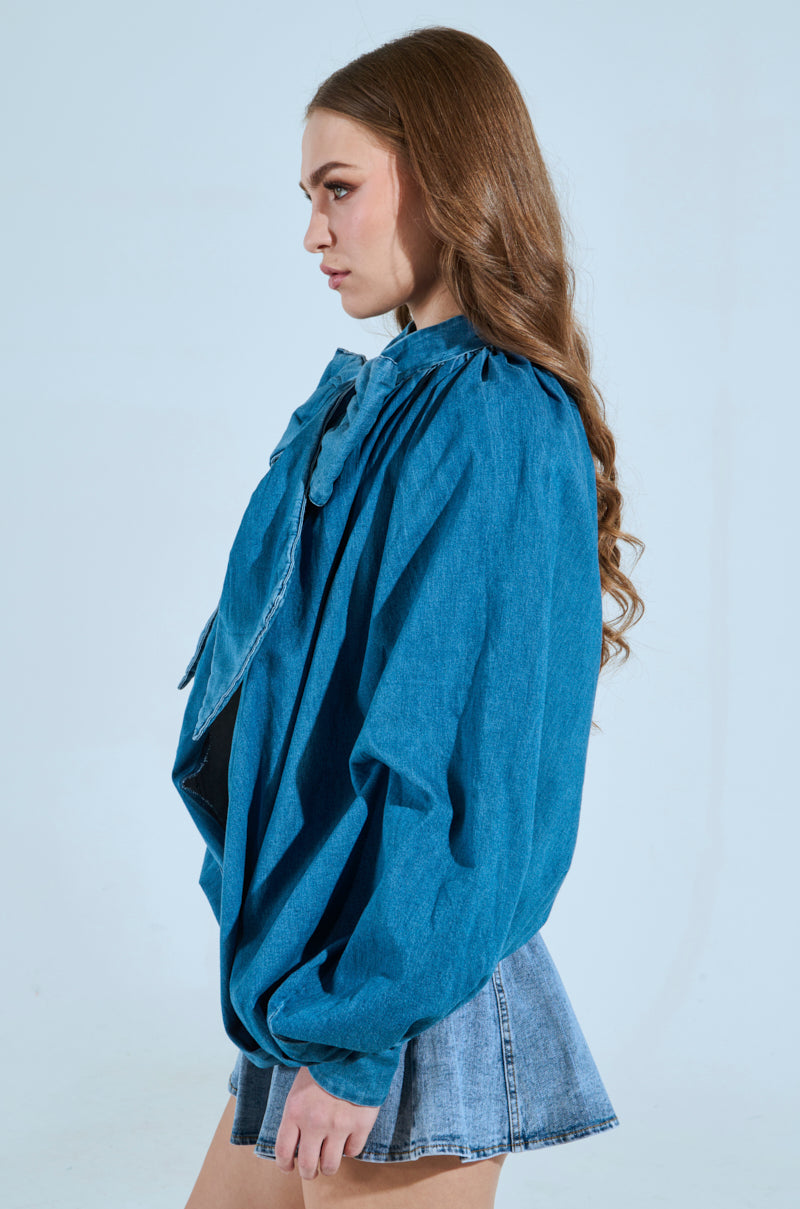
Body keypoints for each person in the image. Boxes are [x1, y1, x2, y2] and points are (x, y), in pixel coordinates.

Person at [172, 24, 644, 1209]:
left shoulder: (491, 415)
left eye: (340, 190)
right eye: (308, 195)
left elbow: (449, 758)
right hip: (326, 972)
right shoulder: (391, 398)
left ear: (443, 180)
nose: (314, 233)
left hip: (400, 985)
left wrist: (358, 1035)